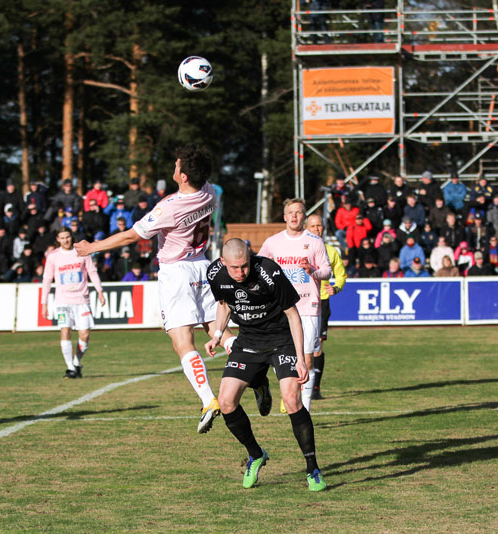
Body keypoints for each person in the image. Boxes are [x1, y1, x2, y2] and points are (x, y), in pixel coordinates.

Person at [75, 144, 231, 434]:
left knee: (183, 342)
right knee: (218, 330)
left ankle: (208, 399)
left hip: (177, 272)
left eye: (177, 165)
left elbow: (131, 236)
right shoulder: (210, 191)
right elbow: (201, 174)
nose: (173, 167)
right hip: (203, 264)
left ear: (184, 176)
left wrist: (92, 247)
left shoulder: (169, 207)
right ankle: (254, 372)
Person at [204, 238, 326, 491]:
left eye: (245, 266)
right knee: (226, 402)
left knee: (292, 400)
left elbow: (293, 315)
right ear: (223, 262)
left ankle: (312, 468)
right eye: (235, 268)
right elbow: (224, 305)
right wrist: (217, 334)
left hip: (282, 341)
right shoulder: (215, 273)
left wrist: (302, 358)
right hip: (248, 342)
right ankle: (256, 454)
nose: (241, 272)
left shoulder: (269, 271)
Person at [258, 199, 331, 413]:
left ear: (304, 217)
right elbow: (259, 267)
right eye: (290, 212)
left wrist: (313, 271)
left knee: (307, 357)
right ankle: (285, 391)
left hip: (308, 306)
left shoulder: (315, 242)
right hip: (279, 308)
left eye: (298, 212)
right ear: (284, 216)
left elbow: (327, 271)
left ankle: (304, 410)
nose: (294, 216)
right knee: (276, 355)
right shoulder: (273, 242)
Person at [41, 227, 106, 378]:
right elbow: (47, 279)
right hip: (63, 301)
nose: (66, 240)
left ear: (72, 237)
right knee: (66, 331)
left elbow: (92, 272)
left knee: (85, 334)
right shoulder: (53, 256)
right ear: (58, 239)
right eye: (62, 238)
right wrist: (43, 303)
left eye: (68, 237)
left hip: (81, 300)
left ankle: (76, 362)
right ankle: (70, 368)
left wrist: (100, 291)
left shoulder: (82, 252)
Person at [303, 214, 344, 400]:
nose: (316, 229)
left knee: (316, 347)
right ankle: (297, 386)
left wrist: (336, 287)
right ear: (306, 228)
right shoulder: (298, 249)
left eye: (319, 225)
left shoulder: (331, 251)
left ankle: (315, 388)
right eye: (313, 226)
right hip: (300, 301)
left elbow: (341, 275)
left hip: (321, 302)